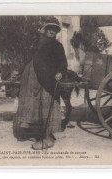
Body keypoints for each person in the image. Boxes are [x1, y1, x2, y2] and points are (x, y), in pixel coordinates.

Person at [14, 21, 68, 150]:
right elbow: (29, 56)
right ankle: (37, 134)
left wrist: (60, 71)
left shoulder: (57, 45)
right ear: (45, 30)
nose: (52, 31)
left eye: (55, 30)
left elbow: (62, 61)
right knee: (34, 105)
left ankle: (47, 138)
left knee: (47, 104)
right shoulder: (38, 42)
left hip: (48, 79)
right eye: (50, 29)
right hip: (33, 79)